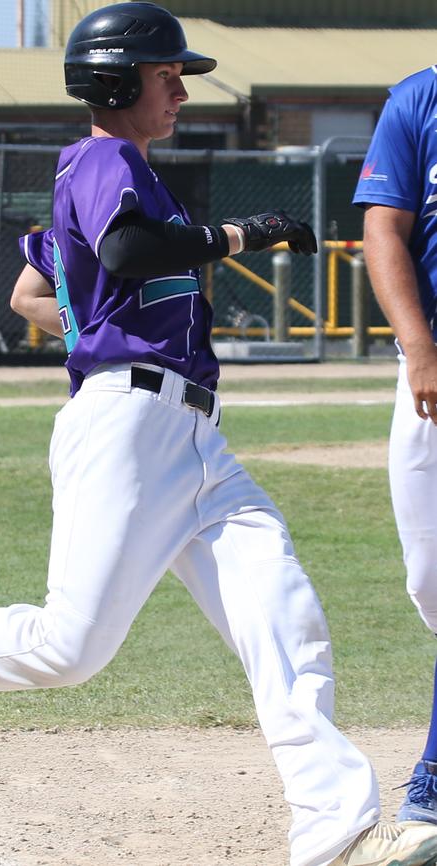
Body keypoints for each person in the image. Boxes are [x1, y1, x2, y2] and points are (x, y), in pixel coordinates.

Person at [0, 6, 437, 865]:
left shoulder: (130, 171)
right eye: (165, 72)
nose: (182, 86)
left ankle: (335, 829)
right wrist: (238, 237)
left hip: (195, 437)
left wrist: (91, 316)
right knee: (67, 650)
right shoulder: (102, 158)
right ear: (113, 82)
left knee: (282, 609)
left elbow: (41, 284)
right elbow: (132, 249)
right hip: (130, 425)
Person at [353, 65, 437, 824]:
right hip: (434, 368)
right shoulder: (419, 99)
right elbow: (383, 228)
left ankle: (434, 783)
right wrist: (419, 350)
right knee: (430, 579)